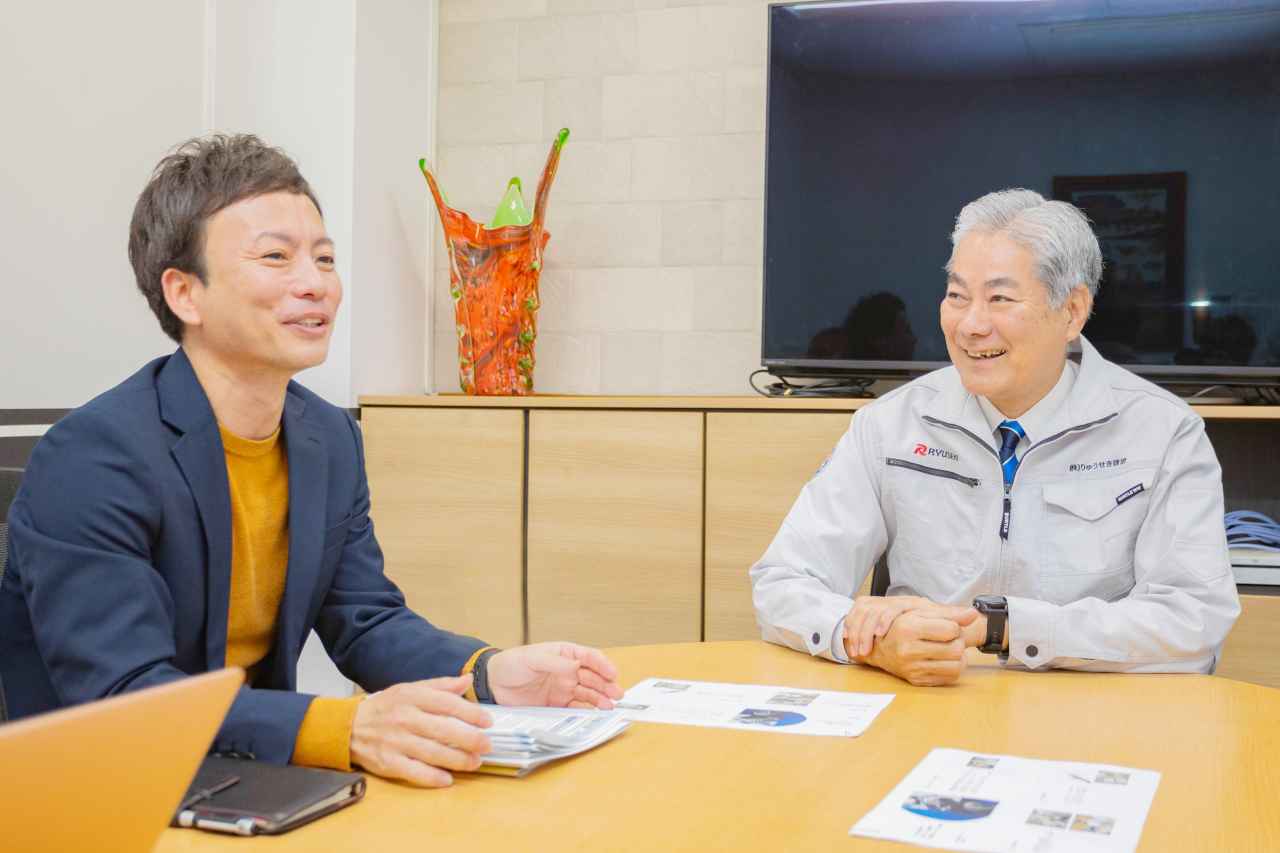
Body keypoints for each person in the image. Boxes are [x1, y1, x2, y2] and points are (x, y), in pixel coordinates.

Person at [0, 134, 623, 787]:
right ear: (185, 294)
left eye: (324, 259)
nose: (315, 284)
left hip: (248, 776)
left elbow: (365, 620)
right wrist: (343, 728)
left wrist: (489, 672)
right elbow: (126, 696)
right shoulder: (93, 457)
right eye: (276, 257)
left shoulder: (327, 437)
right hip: (98, 790)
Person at [751, 188, 1240, 685]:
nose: (970, 325)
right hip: (929, 701)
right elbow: (782, 581)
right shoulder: (890, 425)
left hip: (1091, 710)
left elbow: (1193, 621)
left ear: (1072, 311)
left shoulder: (1163, 432)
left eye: (1000, 299)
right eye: (957, 296)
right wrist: (868, 638)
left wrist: (1003, 629)